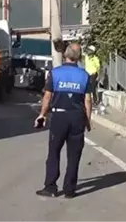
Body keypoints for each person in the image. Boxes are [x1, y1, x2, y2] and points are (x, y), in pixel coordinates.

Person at [34, 42, 94, 199]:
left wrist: (42, 115)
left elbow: (47, 96)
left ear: (65, 55)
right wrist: (87, 120)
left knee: (54, 152)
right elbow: (88, 100)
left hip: (59, 116)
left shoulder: (55, 73)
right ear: (79, 57)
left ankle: (51, 187)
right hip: (77, 117)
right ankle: (69, 190)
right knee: (74, 155)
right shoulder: (84, 75)